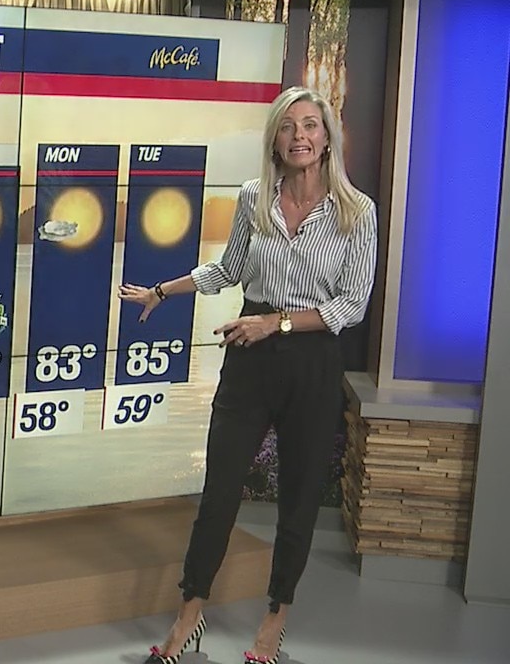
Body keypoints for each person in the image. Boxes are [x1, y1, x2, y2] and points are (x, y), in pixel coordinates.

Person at [118, 86, 377, 664]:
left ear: (327, 138)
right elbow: (229, 268)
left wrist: (275, 324)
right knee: (219, 492)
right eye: (288, 127)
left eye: (310, 125)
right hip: (248, 360)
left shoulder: (357, 212)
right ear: (275, 140)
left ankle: (273, 623)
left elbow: (351, 305)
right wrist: (163, 290)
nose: (299, 136)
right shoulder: (253, 197)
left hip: (311, 363)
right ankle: (189, 617)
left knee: (298, 501)